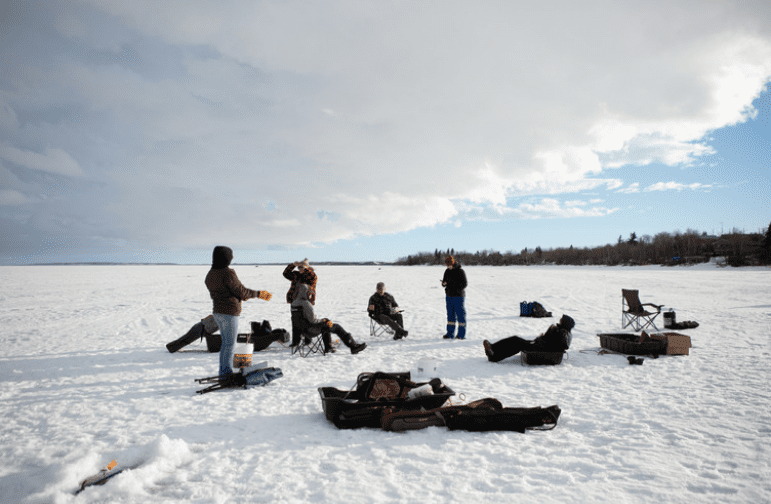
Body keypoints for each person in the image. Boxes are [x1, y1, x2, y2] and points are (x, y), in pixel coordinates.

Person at [205, 246, 272, 379]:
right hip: (229, 313)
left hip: (218, 312)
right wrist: (258, 294)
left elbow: (230, 291)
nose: (233, 258)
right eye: (231, 255)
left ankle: (224, 371)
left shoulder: (211, 274)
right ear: (225, 257)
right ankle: (225, 373)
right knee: (229, 344)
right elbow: (241, 291)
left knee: (226, 344)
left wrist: (240, 295)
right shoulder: (227, 273)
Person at [291, 283, 367, 354]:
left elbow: (296, 321)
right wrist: (324, 320)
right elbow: (313, 321)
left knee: (325, 324)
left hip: (302, 331)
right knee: (336, 327)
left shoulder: (294, 303)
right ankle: (353, 346)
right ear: (306, 292)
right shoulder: (306, 304)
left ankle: (328, 347)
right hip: (311, 330)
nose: (311, 294)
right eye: (310, 292)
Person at [483, 314, 575, 363]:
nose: (559, 320)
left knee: (517, 343)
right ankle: (493, 348)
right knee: (516, 339)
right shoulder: (561, 331)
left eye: (561, 320)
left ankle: (495, 356)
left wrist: (540, 341)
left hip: (540, 349)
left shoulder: (562, 333)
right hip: (540, 346)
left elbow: (552, 345)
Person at [441, 255, 467, 339]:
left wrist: (453, 286)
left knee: (460, 315)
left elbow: (464, 284)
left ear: (452, 263)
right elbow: (445, 281)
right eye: (446, 265)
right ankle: (450, 333)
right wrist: (444, 284)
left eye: (448, 265)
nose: (447, 266)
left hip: (458, 296)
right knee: (450, 315)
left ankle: (461, 335)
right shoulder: (447, 271)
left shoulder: (460, 271)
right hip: (449, 296)